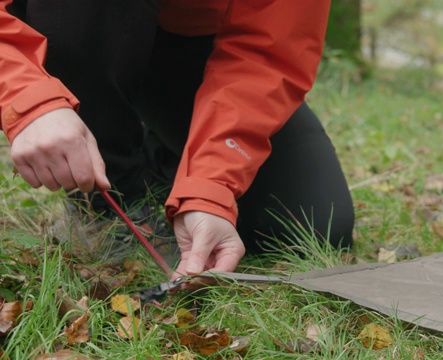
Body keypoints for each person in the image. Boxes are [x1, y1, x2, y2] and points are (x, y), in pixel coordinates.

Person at [0, 0, 355, 278]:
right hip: (71, 27)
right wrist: (29, 98)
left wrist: (211, 186)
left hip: (194, 46)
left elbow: (269, 46)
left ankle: (166, 157)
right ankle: (110, 205)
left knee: (313, 220)